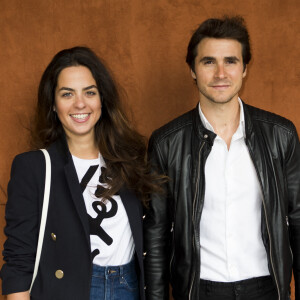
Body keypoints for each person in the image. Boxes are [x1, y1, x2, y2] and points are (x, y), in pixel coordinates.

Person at [143, 16, 300, 300]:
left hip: (266, 288)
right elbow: (156, 234)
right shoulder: (166, 142)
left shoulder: (281, 135)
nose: (220, 74)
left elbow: (298, 218)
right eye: (208, 62)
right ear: (192, 69)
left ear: (244, 69)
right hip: (199, 290)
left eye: (230, 61)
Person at [1, 46, 161, 300]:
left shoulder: (131, 159)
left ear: (102, 100)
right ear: (53, 104)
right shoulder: (34, 167)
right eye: (67, 94)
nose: (80, 103)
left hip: (128, 288)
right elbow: (18, 257)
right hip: (69, 291)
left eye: (90, 92)